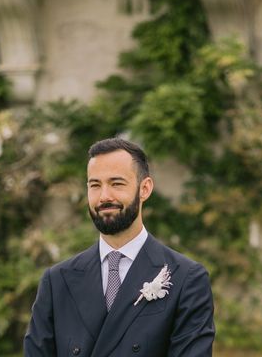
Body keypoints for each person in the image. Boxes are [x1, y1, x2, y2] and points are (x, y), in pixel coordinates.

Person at [24, 138, 215, 357]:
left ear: (145, 189)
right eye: (95, 185)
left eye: (116, 183)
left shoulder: (186, 279)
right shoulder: (57, 281)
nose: (104, 196)